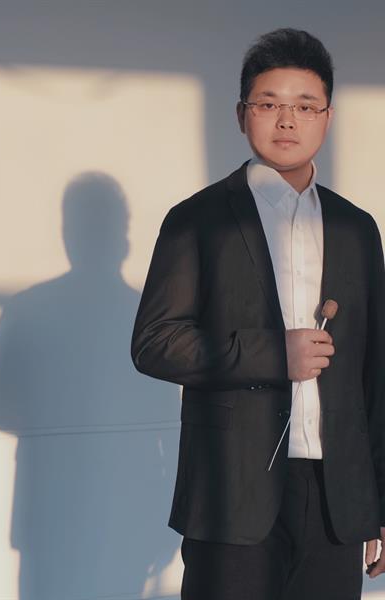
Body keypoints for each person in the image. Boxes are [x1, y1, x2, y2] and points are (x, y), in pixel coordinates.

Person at [131, 28, 385, 599]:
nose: (287, 120)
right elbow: (154, 342)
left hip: (337, 499)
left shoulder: (357, 228)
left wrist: (382, 501)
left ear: (328, 117)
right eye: (269, 104)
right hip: (230, 492)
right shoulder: (197, 219)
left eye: (305, 106)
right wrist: (274, 353)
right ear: (241, 114)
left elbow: (377, 372)